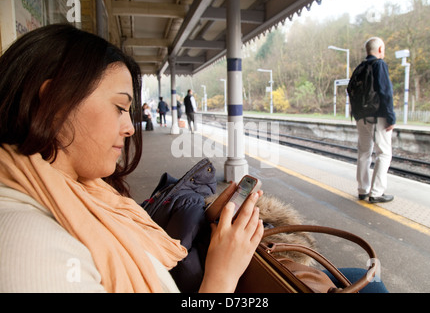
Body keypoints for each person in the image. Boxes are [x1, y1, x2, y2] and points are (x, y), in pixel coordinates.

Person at [0, 24, 264, 293]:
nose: (129, 127)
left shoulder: (81, 191)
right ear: (55, 104)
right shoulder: (30, 249)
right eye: (119, 107)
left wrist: (206, 218)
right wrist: (222, 278)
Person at [354, 37, 396, 203]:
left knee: (364, 152)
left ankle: (362, 190)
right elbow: (385, 92)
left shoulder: (360, 67)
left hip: (360, 117)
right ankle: (376, 192)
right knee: (384, 153)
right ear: (379, 50)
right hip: (377, 116)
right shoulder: (379, 65)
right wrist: (390, 117)